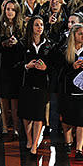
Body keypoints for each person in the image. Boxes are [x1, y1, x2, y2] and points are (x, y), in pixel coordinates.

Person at [18, 16, 56, 155]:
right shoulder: (23, 44)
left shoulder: (49, 45)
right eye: (36, 25)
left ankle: (34, 144)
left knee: (38, 116)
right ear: (31, 27)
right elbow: (15, 64)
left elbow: (54, 66)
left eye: (41, 25)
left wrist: (46, 67)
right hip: (26, 84)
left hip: (42, 85)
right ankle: (29, 139)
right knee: (27, 115)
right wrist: (27, 66)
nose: (39, 27)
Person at [0, 0, 25, 137]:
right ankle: (3, 127)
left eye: (12, 10)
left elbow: (25, 46)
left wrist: (17, 43)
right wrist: (3, 44)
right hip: (1, 66)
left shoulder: (21, 26)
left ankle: (15, 128)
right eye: (7, 9)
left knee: (15, 101)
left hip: (16, 67)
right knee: (3, 98)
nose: (10, 12)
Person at [58, 23, 83, 159]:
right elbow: (59, 73)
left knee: (82, 121)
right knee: (67, 119)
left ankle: (79, 149)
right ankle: (68, 142)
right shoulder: (64, 50)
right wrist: (72, 67)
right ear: (73, 35)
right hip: (68, 91)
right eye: (80, 34)